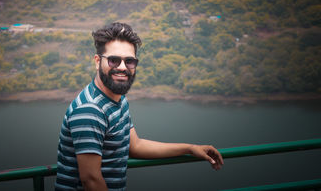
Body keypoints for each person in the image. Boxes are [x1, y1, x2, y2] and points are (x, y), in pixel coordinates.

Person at [55, 22, 224, 190]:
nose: (122, 67)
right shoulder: (90, 110)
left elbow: (135, 146)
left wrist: (190, 148)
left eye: (129, 61)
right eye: (114, 60)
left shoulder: (118, 100)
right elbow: (91, 180)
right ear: (98, 61)